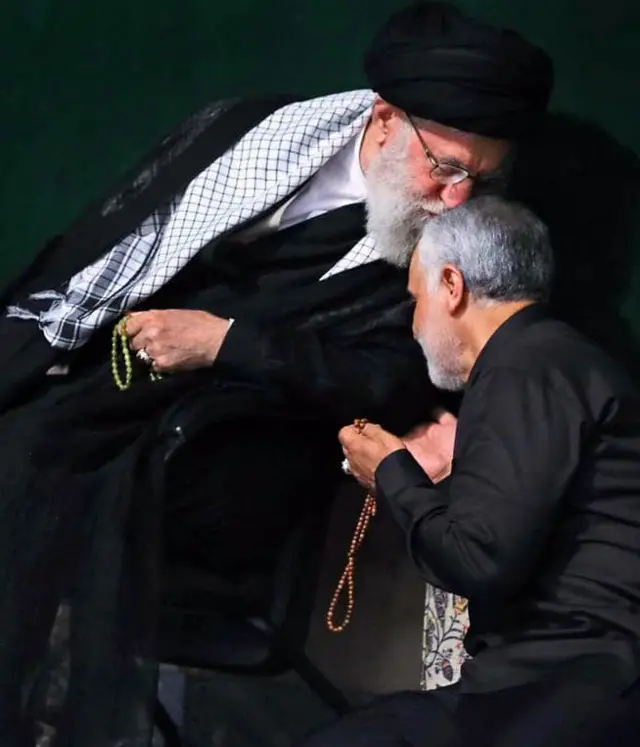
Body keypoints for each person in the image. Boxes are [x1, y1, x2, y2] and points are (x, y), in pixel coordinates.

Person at [0, 4, 553, 745]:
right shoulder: (247, 132)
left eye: (479, 179)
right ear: (385, 120)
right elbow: (118, 238)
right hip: (119, 364)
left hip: (230, 441)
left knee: (28, 454)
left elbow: (392, 378)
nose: (455, 198)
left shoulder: (462, 242)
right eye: (445, 167)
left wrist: (225, 343)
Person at [312, 195, 640, 747]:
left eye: (417, 301)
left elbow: (477, 559)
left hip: (575, 680)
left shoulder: (523, 364)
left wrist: (391, 470)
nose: (415, 326)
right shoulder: (555, 362)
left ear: (452, 286)